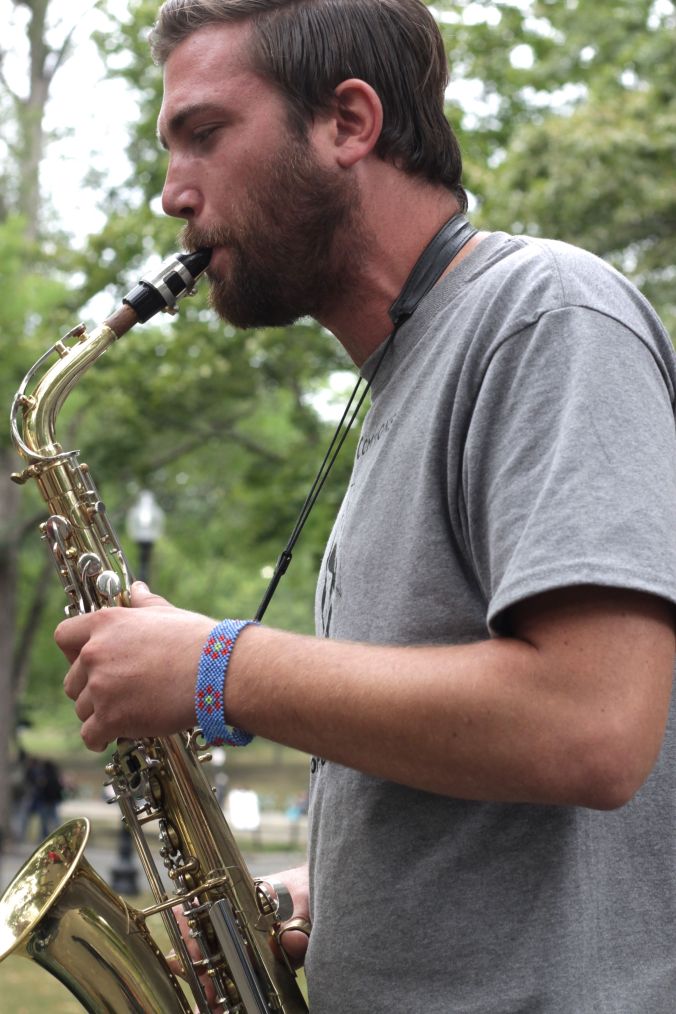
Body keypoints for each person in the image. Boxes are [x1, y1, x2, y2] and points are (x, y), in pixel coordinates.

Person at [55, 0, 676, 1010]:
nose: (173, 193)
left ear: (348, 122)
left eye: (204, 134)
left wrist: (214, 665)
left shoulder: (547, 314)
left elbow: (590, 724)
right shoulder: (404, 378)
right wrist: (333, 894)